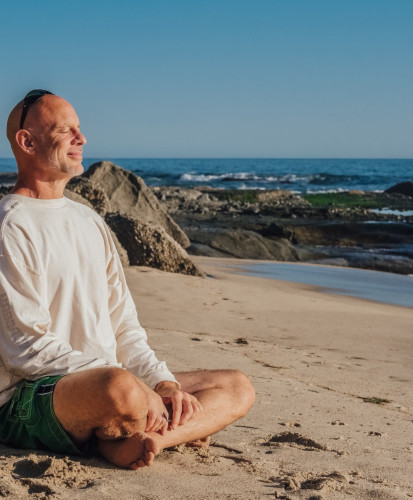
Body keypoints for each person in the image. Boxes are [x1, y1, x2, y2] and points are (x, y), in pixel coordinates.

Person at [0, 89, 255, 469]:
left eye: (80, 129)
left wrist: (162, 383)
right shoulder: (11, 223)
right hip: (34, 393)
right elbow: (25, 348)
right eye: (65, 130)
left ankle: (145, 438)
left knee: (236, 386)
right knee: (119, 391)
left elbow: (124, 326)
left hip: (111, 381)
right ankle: (147, 427)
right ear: (27, 141)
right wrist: (132, 386)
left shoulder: (89, 221)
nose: (81, 139)